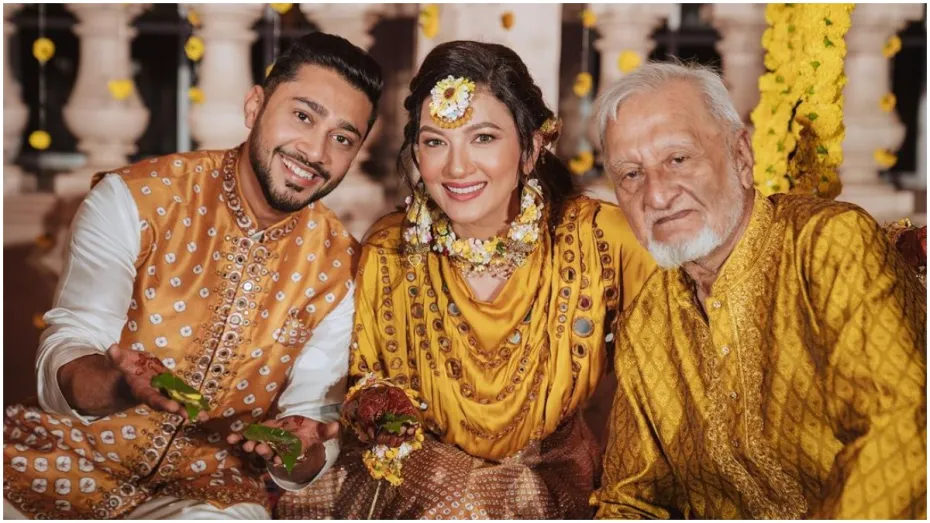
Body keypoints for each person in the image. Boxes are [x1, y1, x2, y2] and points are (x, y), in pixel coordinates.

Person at [3, 32, 383, 519]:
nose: (315, 151)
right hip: (54, 458)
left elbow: (313, 418)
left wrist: (300, 448)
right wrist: (120, 386)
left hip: (208, 492)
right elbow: (71, 345)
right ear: (254, 106)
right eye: (303, 116)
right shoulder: (138, 199)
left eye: (342, 138)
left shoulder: (341, 268)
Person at [275, 40, 655, 520]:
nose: (456, 167)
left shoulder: (598, 239)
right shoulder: (391, 249)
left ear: (532, 147)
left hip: (551, 478)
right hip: (420, 483)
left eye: (484, 138)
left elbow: (670, 365)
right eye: (435, 142)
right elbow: (366, 388)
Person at [589, 62, 926, 519]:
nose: (657, 196)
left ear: (741, 156)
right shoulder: (646, 322)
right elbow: (630, 498)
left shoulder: (829, 246)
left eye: (678, 159)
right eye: (631, 174)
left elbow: (901, 428)